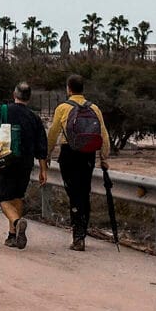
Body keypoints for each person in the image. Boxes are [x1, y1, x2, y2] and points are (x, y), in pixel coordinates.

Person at [45, 74, 111, 252]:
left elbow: (53, 132)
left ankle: (78, 235)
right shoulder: (94, 108)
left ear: (69, 88)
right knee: (84, 192)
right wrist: (104, 158)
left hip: (69, 153)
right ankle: (81, 233)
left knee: (73, 193)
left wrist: (47, 154)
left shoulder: (63, 108)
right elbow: (103, 134)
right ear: (83, 89)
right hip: (88, 155)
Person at [0, 82, 46, 249]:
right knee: (17, 196)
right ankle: (12, 236)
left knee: (3, 198)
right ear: (29, 98)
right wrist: (43, 170)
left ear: (14, 94)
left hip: (6, 160)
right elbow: (41, 146)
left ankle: (16, 222)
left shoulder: (3, 110)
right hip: (26, 163)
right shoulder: (34, 117)